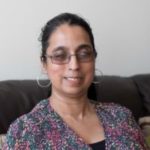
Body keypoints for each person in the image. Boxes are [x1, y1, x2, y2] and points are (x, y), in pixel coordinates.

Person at [3, 13, 148, 150]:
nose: (74, 65)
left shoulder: (122, 117)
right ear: (44, 64)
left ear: (94, 59)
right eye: (60, 55)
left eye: (84, 54)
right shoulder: (24, 132)